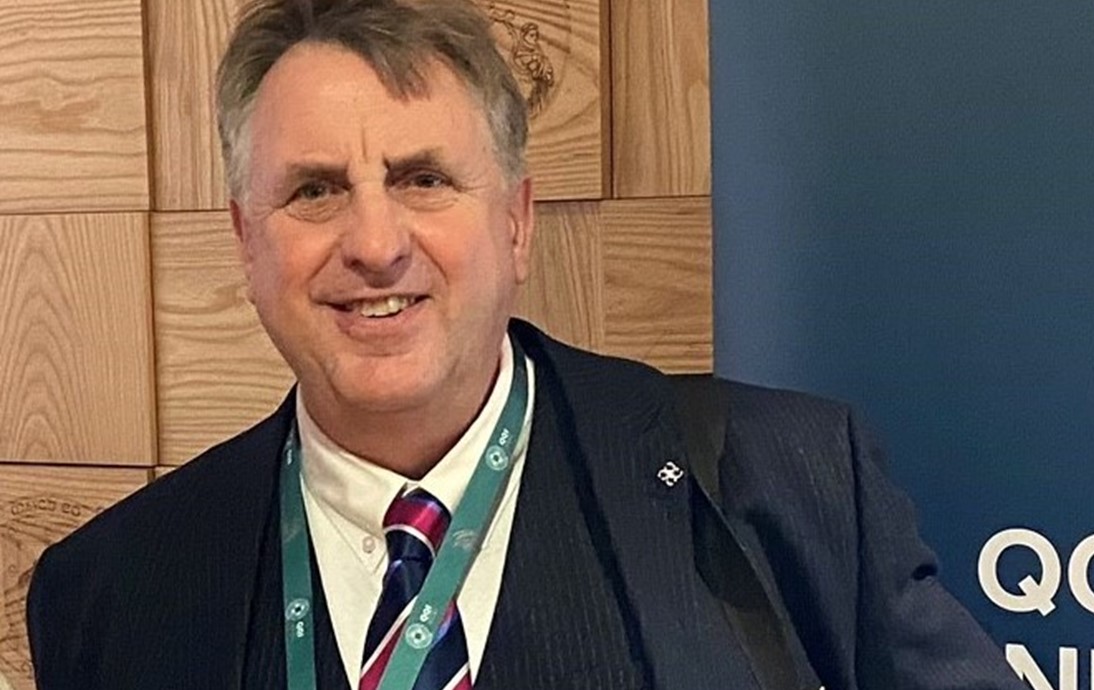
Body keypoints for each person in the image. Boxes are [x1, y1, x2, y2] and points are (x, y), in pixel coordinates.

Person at [25, 1, 1025, 688]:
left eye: (423, 179)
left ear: (514, 222)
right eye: (315, 190)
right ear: (247, 242)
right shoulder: (111, 593)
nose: (374, 245)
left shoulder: (786, 486)